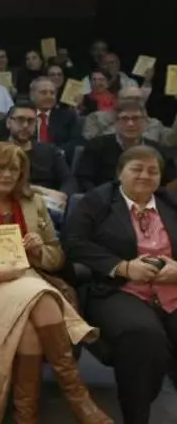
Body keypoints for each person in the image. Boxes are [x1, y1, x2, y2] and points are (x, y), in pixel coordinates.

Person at [0, 142, 110, 424]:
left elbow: (56, 255)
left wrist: (39, 251)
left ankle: (26, 414)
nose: (6, 175)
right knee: (43, 296)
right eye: (0, 168)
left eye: (13, 169)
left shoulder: (33, 201)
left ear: (21, 173)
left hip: (30, 278)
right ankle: (79, 400)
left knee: (31, 329)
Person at [63, 146, 177, 424]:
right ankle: (137, 417)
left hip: (172, 288)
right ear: (119, 173)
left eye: (152, 171)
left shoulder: (171, 202)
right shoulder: (97, 201)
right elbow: (73, 242)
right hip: (118, 290)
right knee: (143, 336)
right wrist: (123, 267)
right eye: (136, 169)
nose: (145, 175)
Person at [75, 101, 176, 191]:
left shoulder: (157, 150)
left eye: (136, 119)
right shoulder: (97, 145)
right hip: (105, 201)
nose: (130, 124)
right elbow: (83, 180)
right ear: (115, 123)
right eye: (124, 119)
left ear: (146, 123)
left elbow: (170, 182)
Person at [3, 101, 78, 195]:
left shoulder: (50, 151)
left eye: (31, 121)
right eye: (20, 120)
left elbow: (69, 181)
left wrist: (62, 195)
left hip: (48, 200)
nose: (25, 125)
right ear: (8, 123)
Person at [83, 86, 177, 145]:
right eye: (129, 98)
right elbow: (90, 143)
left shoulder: (154, 124)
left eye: (138, 99)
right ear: (117, 101)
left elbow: (171, 140)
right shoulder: (97, 118)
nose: (134, 102)